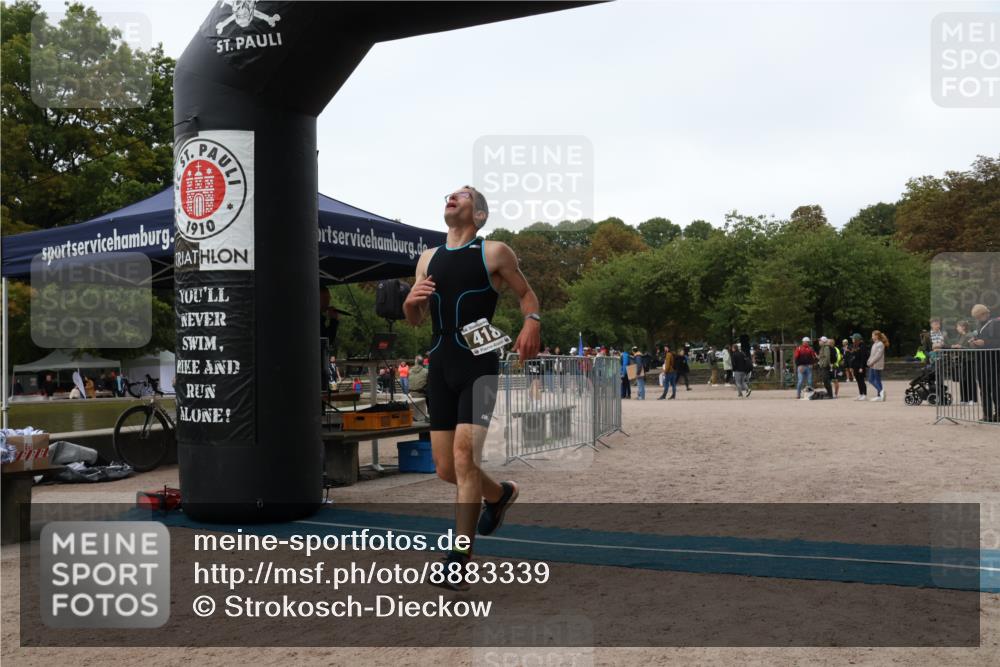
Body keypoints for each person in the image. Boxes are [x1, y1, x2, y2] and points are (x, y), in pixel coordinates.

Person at [403, 185, 540, 590]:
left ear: (478, 213)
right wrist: (411, 301)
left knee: (465, 457)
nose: (452, 196)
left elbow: (527, 294)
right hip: (440, 362)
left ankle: (458, 558)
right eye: (449, 193)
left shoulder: (495, 252)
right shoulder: (427, 259)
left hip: (478, 362)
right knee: (447, 468)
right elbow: (415, 318)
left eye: (462, 195)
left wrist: (533, 322)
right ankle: (498, 495)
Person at [969, 304, 1000, 422]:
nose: (977, 319)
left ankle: (998, 414)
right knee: (984, 390)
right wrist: (974, 342)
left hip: (993, 362)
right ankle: (987, 415)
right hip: (982, 362)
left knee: (996, 389)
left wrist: (985, 342)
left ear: (984, 314)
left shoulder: (996, 323)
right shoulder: (981, 325)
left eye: (978, 316)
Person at [951, 320, 978, 405]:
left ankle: (973, 399)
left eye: (958, 326)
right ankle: (964, 399)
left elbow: (973, 349)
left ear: (963, 327)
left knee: (970, 379)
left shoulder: (970, 335)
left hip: (970, 360)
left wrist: (960, 347)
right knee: (963, 380)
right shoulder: (961, 336)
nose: (957, 328)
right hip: (963, 360)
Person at [867, 330, 889, 402]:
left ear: (876, 336)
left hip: (876, 365)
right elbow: (872, 355)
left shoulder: (880, 344)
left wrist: (871, 362)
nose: (872, 337)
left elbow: (878, 356)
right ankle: (880, 396)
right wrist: (869, 361)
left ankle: (881, 391)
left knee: (871, 379)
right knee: (877, 380)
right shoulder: (875, 344)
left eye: (873, 335)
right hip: (873, 364)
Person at [848, 333, 868, 400]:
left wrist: (862, 367)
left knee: (861, 380)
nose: (852, 339)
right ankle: (860, 394)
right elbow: (852, 357)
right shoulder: (855, 346)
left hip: (860, 366)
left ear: (857, 339)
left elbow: (863, 358)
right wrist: (851, 366)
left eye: (853, 338)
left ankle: (864, 394)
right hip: (855, 366)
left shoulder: (862, 346)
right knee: (858, 380)